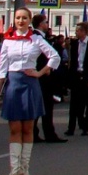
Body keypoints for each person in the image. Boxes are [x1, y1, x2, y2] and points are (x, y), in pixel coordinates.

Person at [0, 7, 60, 175]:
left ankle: (25, 169)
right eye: (18, 18)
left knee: (28, 128)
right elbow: (2, 68)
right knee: (14, 128)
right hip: (13, 85)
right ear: (14, 20)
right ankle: (14, 169)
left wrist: (40, 72)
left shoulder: (36, 39)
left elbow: (55, 57)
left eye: (24, 18)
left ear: (30, 21)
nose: (20, 21)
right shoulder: (7, 41)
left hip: (30, 84)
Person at [31, 15, 65, 144]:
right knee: (45, 106)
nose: (47, 25)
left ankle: (36, 133)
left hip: (40, 76)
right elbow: (43, 57)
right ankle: (47, 134)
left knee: (41, 106)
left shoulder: (39, 37)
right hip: (42, 77)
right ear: (40, 24)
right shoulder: (37, 38)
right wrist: (46, 69)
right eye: (45, 22)